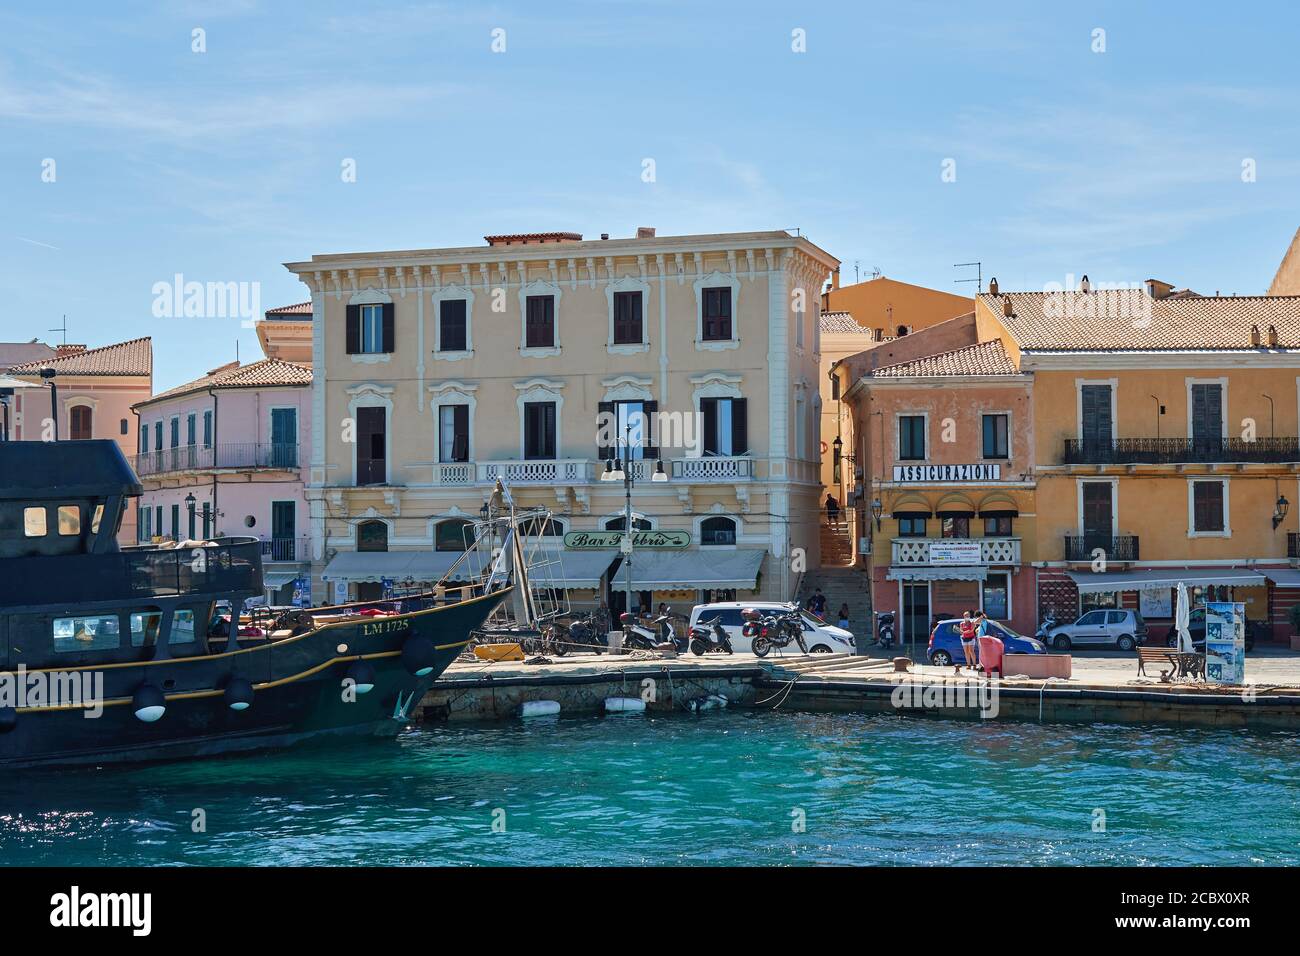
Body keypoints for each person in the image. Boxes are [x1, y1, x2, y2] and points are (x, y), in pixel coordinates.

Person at [957, 610, 977, 675]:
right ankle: (968, 664)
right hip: (964, 638)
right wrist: (960, 631)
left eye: (968, 615)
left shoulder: (972, 623)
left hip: (971, 638)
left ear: (969, 616)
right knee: (966, 652)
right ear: (964, 616)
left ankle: (974, 665)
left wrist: (964, 632)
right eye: (966, 615)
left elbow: (971, 630)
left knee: (971, 651)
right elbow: (960, 630)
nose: (967, 616)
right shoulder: (961, 623)